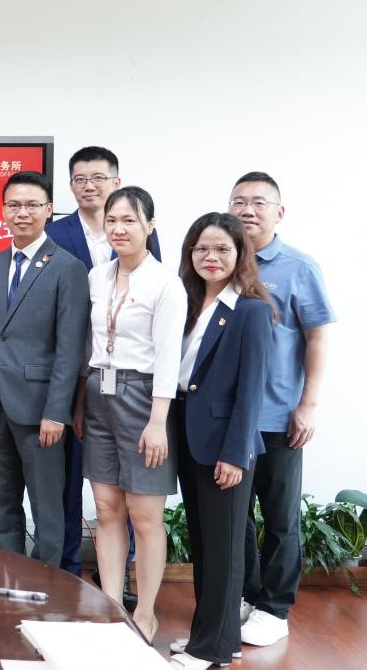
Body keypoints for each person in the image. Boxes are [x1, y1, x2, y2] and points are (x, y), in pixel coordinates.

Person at [73, 186, 186, 643]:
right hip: (98, 393)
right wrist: (80, 404)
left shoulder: (165, 283)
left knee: (144, 514)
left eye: (129, 221)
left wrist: (158, 422)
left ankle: (146, 611)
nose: (119, 229)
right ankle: (112, 608)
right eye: (112, 220)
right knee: (106, 509)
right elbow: (88, 344)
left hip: (144, 398)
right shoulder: (96, 277)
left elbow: (169, 358)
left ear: (149, 226)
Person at [229, 172, 335, 648]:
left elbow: (318, 337)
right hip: (229, 420)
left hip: (277, 418)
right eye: (239, 201)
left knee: (279, 517)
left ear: (279, 212)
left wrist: (307, 405)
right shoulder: (220, 258)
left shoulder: (298, 266)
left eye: (258, 202)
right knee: (235, 517)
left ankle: (275, 608)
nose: (247, 210)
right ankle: (246, 596)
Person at [46, 145, 162, 579]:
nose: (88, 186)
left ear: (116, 182)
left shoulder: (141, 233)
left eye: (98, 178)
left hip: (131, 383)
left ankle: (121, 576)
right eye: (80, 179)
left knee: (124, 484)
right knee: (69, 479)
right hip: (74, 374)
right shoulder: (55, 234)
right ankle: (68, 567)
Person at [168, 213, 273, 670]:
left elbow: (252, 392)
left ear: (239, 254)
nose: (211, 257)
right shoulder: (188, 303)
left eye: (222, 249)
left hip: (226, 446)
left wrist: (236, 454)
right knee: (206, 545)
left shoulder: (250, 310)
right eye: (202, 249)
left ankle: (208, 649)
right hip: (190, 436)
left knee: (225, 552)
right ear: (190, 254)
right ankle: (218, 638)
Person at [0, 171, 88, 571]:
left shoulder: (68, 267)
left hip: (41, 410)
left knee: (47, 508)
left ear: (48, 210)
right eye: (14, 205)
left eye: (31, 205)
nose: (22, 213)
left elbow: (70, 348)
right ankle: (8, 581)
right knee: (0, 502)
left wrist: (57, 412)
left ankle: (48, 585)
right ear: (3, 210)